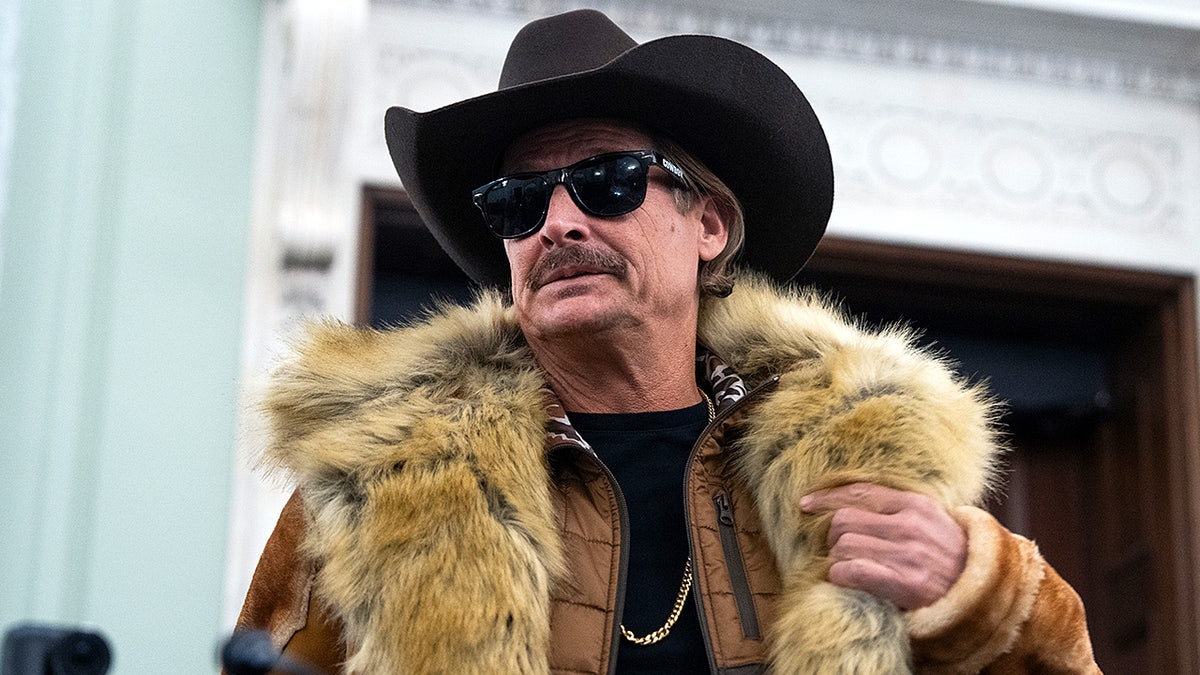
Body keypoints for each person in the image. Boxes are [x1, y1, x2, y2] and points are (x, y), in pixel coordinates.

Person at [235, 9, 1099, 674]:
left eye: (606, 181)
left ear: (710, 224)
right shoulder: (376, 483)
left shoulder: (855, 468)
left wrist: (979, 592)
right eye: (518, 202)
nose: (560, 224)